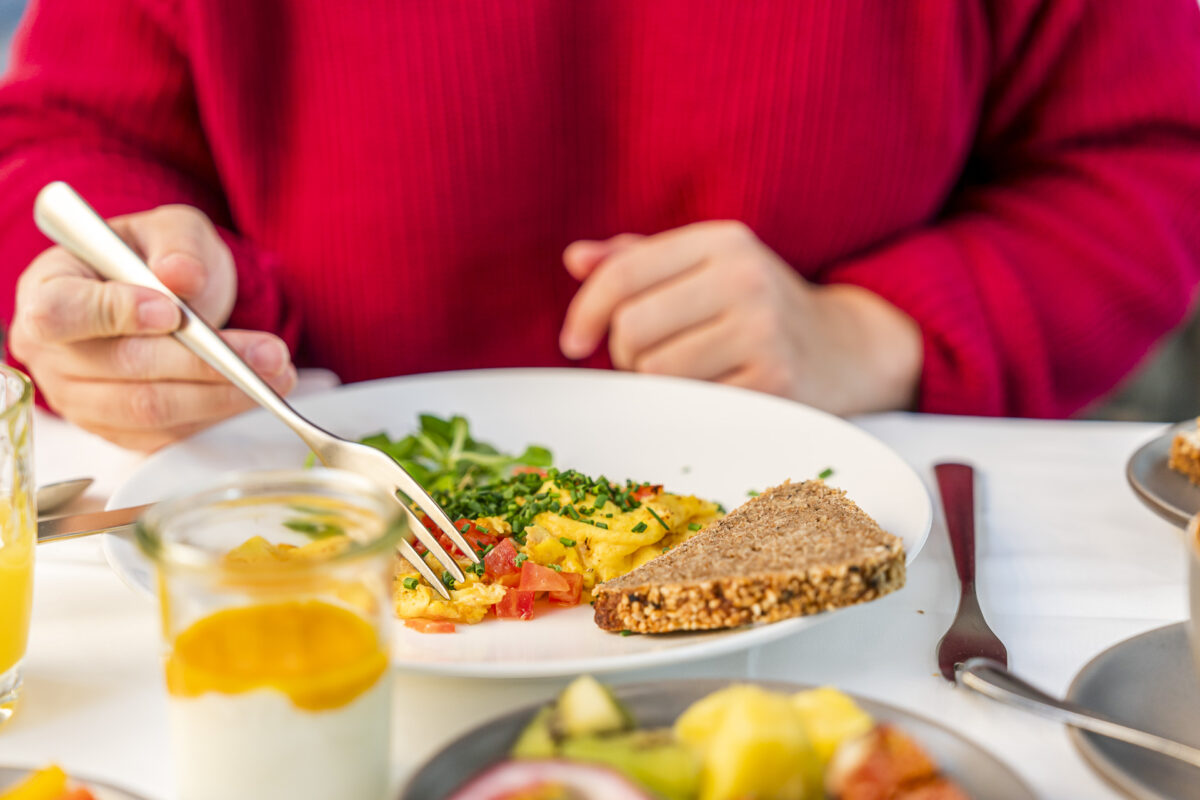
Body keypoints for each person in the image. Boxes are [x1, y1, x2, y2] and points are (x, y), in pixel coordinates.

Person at [0, 1, 1198, 452]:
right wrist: (126, 287)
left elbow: (1148, 159)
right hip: (301, 554)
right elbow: (52, 140)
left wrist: (874, 331)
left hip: (869, 593)